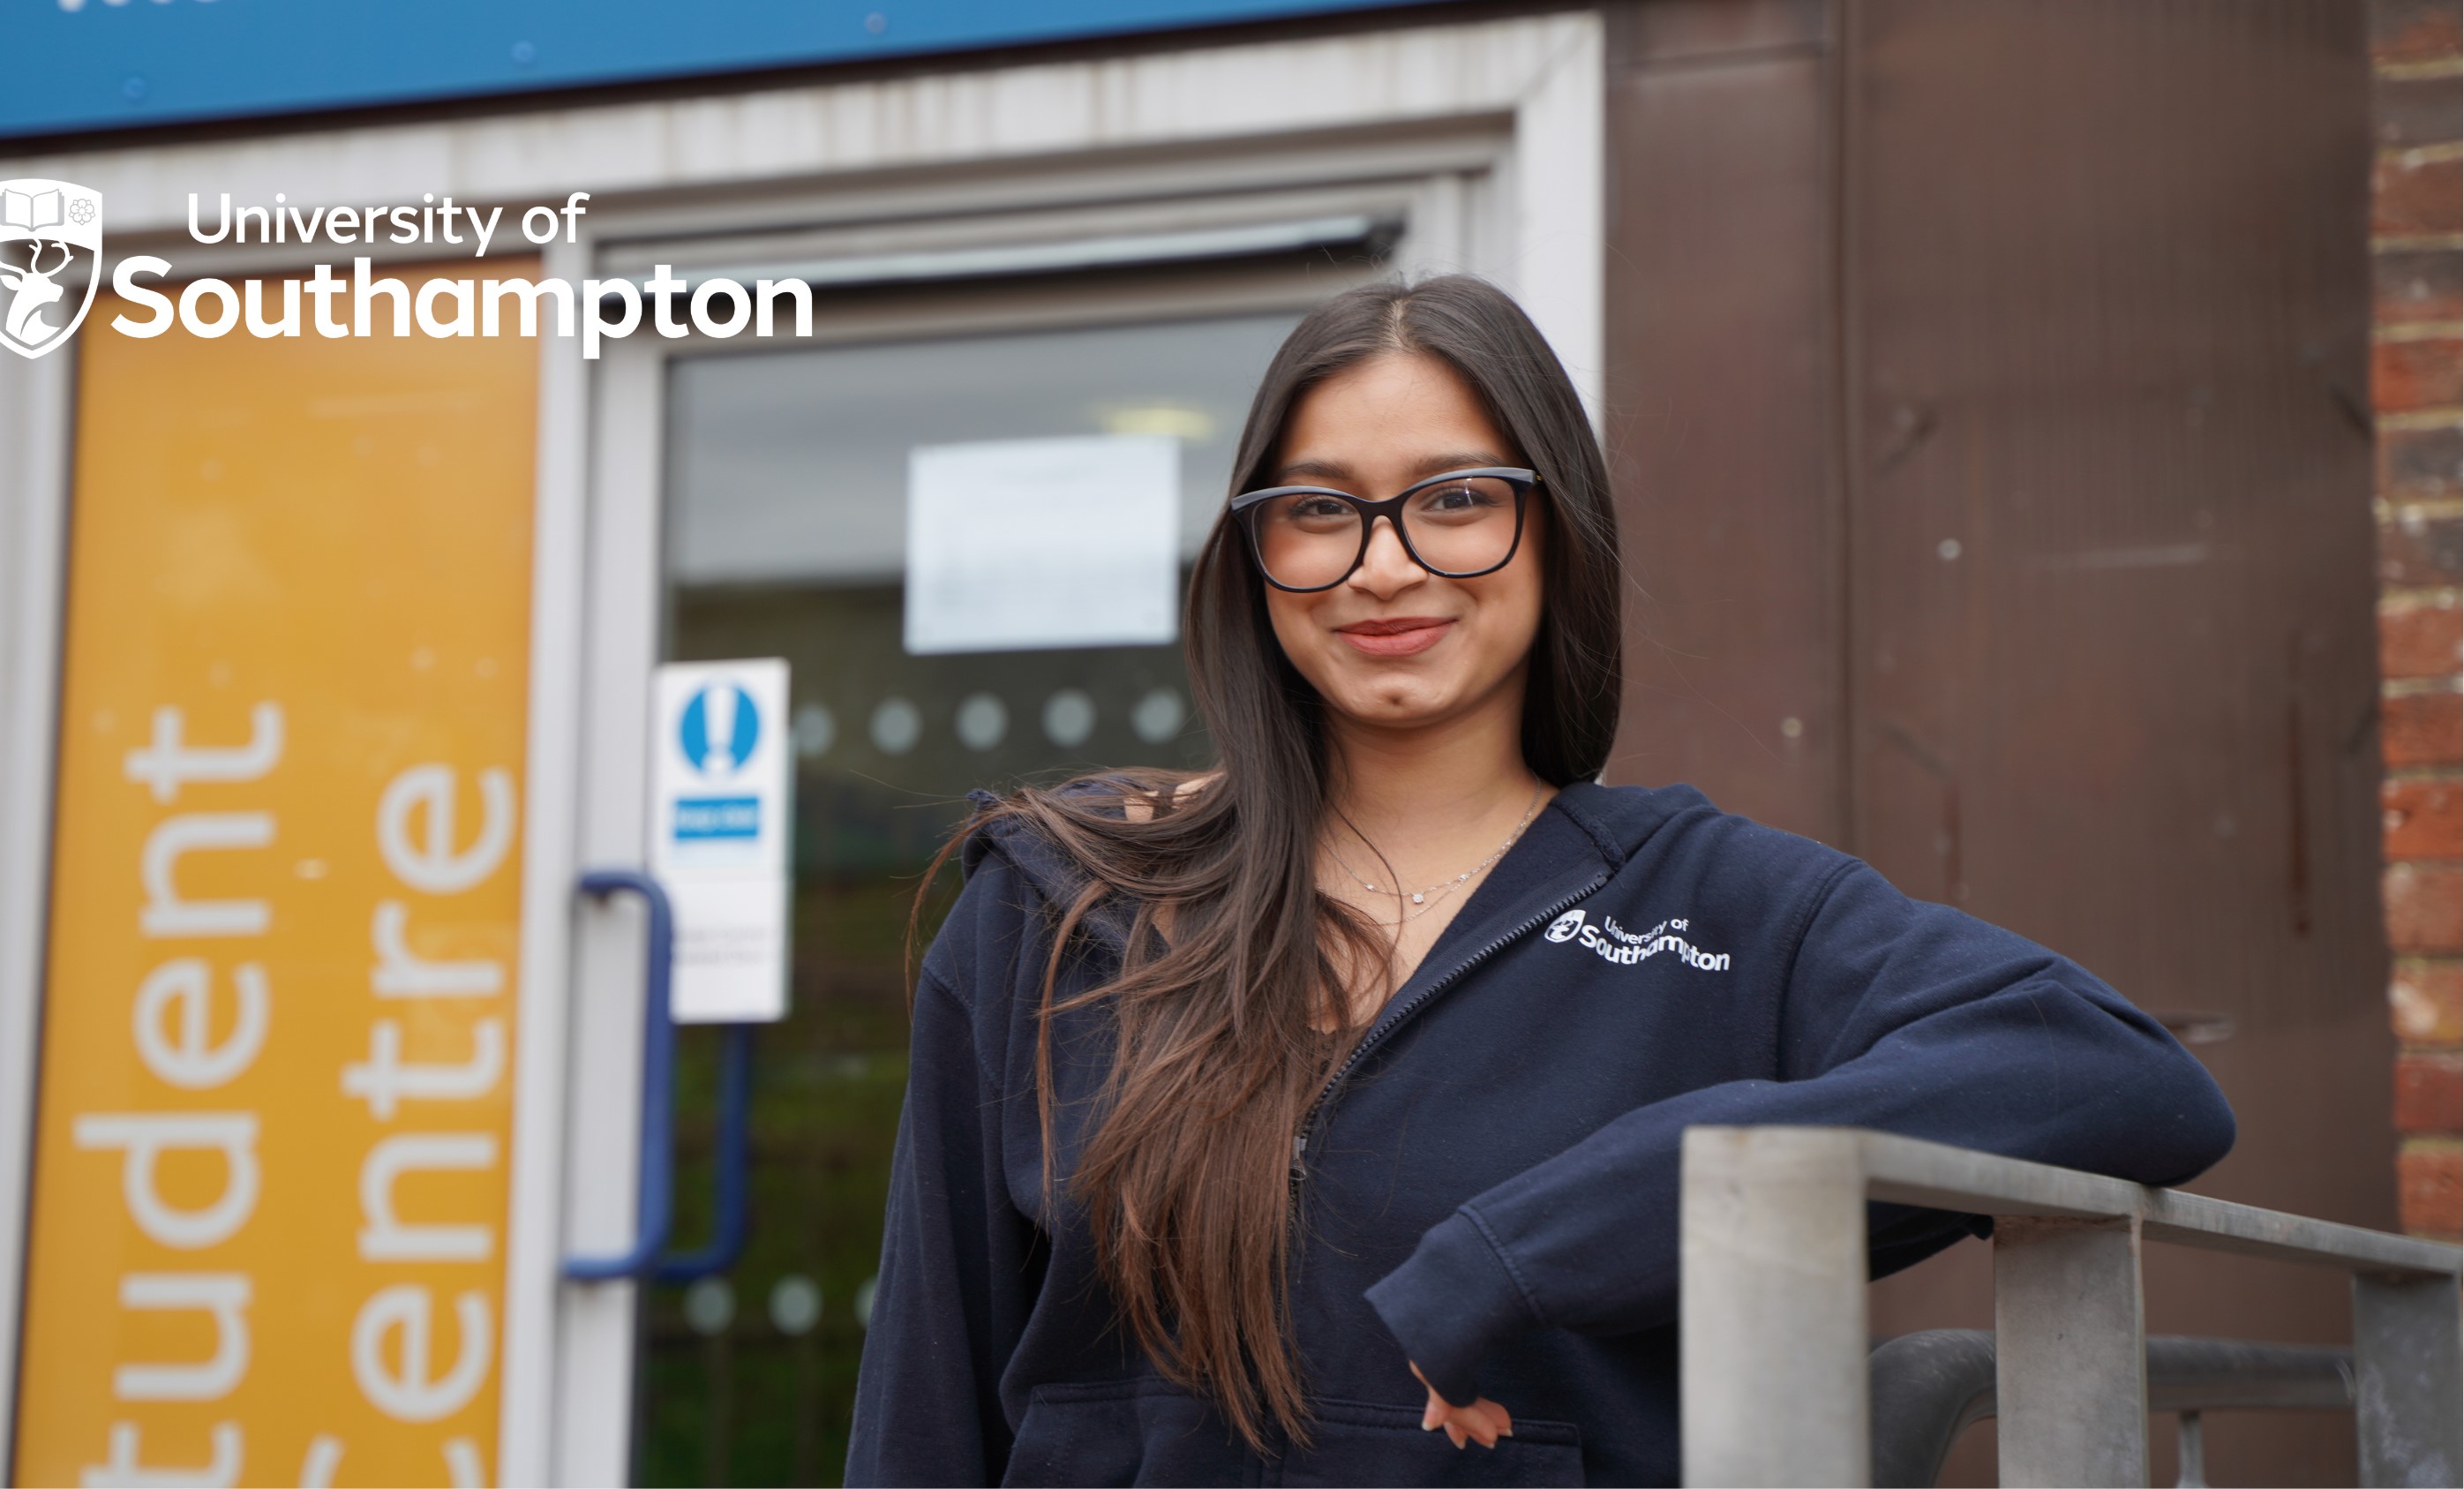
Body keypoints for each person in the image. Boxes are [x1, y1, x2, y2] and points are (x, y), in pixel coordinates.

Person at [843, 275, 2235, 1487]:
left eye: (1457, 501)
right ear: (1254, 560)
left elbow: (2119, 1076)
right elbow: (926, 1398)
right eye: (1319, 510)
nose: (1384, 566)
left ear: (1555, 528)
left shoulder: (1716, 912)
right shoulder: (1063, 905)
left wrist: (1543, 1247)